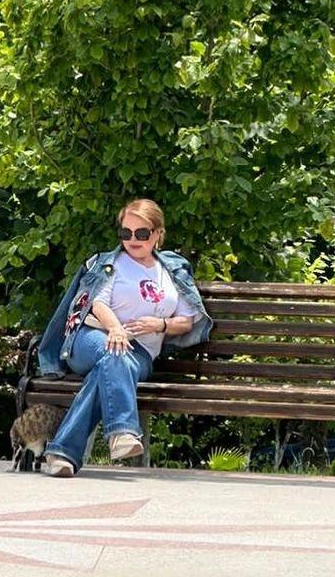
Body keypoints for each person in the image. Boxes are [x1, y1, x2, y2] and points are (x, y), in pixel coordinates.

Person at [35, 199, 213, 478]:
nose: (132, 240)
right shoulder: (111, 264)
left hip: (140, 352)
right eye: (125, 233)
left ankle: (61, 452)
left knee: (111, 367)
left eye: (141, 233)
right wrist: (116, 329)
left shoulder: (172, 271)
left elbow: (186, 321)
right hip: (92, 337)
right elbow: (97, 303)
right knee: (114, 352)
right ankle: (122, 431)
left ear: (158, 233)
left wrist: (161, 324)